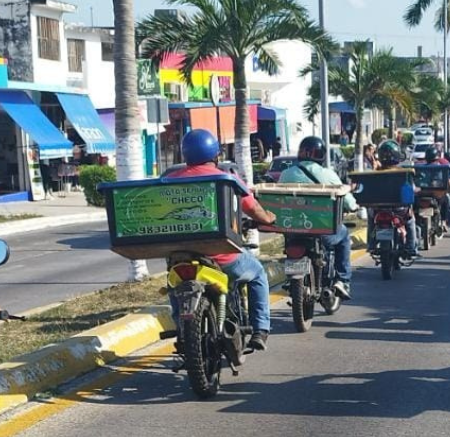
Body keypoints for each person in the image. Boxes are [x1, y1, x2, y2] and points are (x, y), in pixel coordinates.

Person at [167, 129, 275, 351]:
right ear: (215, 155)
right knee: (258, 274)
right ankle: (260, 329)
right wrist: (269, 219)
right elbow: (253, 208)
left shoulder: (169, 180)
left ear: (185, 155)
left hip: (181, 257)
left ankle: (182, 330)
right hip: (223, 259)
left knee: (174, 285)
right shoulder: (226, 179)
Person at [279, 137, 359, 298]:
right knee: (343, 235)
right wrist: (355, 207)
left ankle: (291, 278)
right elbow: (350, 204)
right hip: (322, 232)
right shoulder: (328, 175)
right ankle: (343, 280)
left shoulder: (286, 174)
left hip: (292, 230)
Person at [374, 140, 419, 258]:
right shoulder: (403, 173)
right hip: (400, 209)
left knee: (371, 220)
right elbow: (412, 189)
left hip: (379, 207)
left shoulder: (375, 174)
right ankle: (411, 247)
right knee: (410, 220)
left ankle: (371, 244)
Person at [423, 149, 450, 235]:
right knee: (448, 200)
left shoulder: (423, 167)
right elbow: (448, 183)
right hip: (436, 195)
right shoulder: (442, 167)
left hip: (425, 194)